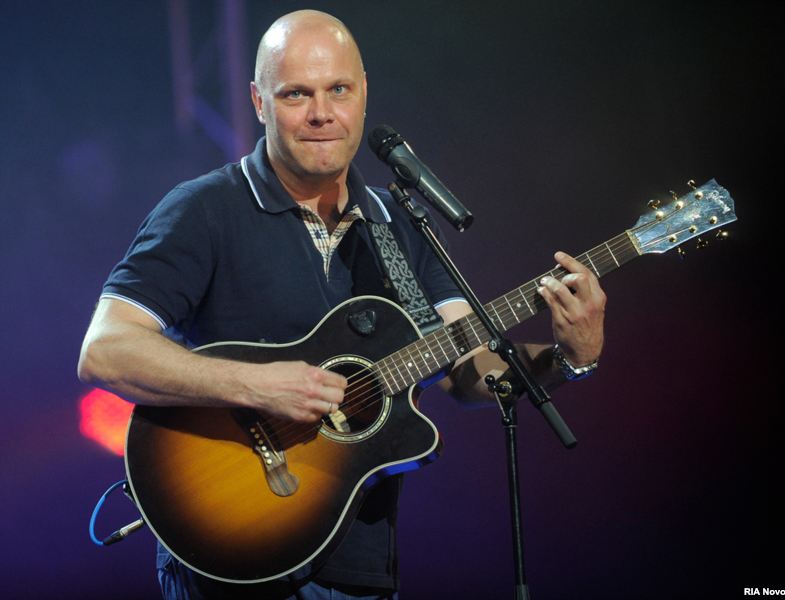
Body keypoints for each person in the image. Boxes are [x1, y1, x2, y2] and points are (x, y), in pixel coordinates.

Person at [78, 9, 606, 600]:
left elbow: (468, 368)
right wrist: (256, 386)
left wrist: (569, 357)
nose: (321, 113)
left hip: (360, 568)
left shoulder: (398, 221)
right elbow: (105, 351)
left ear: (363, 94)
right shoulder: (204, 210)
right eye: (296, 94)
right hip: (230, 558)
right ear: (258, 102)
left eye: (339, 90)